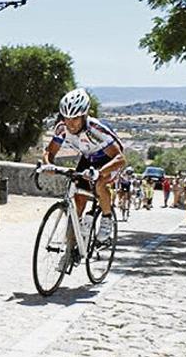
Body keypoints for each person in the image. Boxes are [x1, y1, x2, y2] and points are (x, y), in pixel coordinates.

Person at [42, 89, 126, 250]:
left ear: (84, 116)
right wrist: (48, 164)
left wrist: (100, 172)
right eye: (67, 118)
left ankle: (107, 219)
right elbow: (50, 151)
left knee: (100, 183)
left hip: (110, 160)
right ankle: (71, 248)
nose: (70, 123)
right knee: (78, 197)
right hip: (89, 158)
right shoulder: (62, 128)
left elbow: (121, 159)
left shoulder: (95, 130)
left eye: (75, 118)